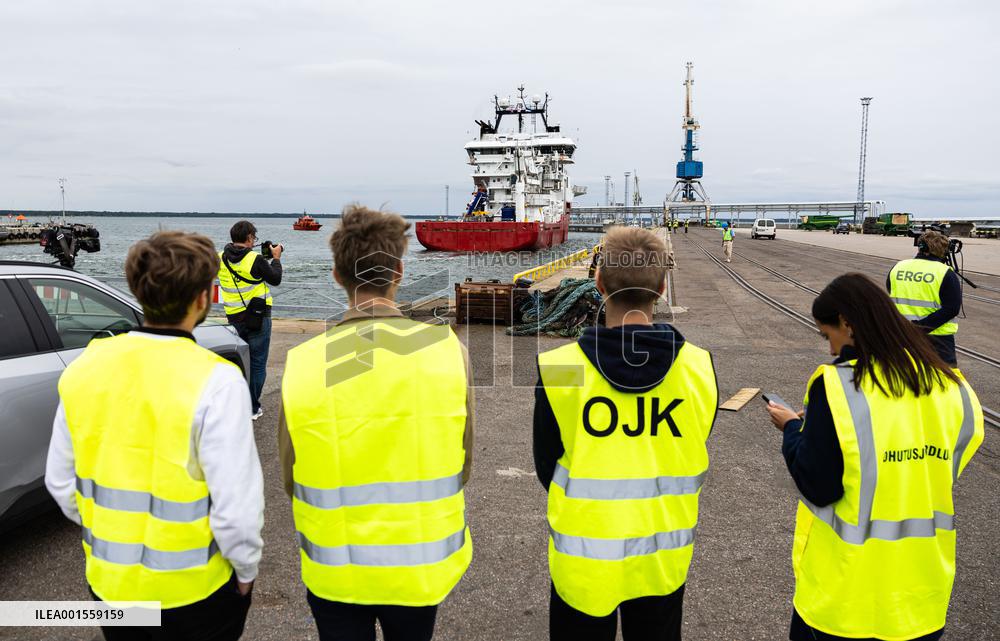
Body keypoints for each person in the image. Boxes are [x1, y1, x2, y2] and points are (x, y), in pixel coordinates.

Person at [45, 231, 265, 641]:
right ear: (204, 297)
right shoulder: (216, 379)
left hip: (112, 587)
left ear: (137, 290)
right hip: (194, 593)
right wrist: (246, 571)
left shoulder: (84, 367)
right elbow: (237, 508)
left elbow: (60, 483)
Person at [278, 204, 474, 641]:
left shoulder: (303, 363)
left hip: (336, 566)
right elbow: (463, 459)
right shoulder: (448, 351)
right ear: (400, 271)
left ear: (337, 275)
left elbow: (290, 474)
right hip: (420, 563)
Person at [766, 273, 983, 641]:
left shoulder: (836, 386)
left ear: (847, 323)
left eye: (827, 334)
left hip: (846, 598)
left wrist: (792, 429)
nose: (831, 349)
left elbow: (818, 484)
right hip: (921, 595)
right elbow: (946, 462)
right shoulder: (952, 384)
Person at [534, 226, 718, 641]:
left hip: (583, 558)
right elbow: (693, 442)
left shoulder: (561, 366)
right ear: (663, 288)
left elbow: (547, 465)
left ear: (597, 283)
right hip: (660, 558)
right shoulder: (698, 366)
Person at [218, 220, 283, 420]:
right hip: (258, 318)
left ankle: (236, 404)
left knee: (238, 363)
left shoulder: (220, 257)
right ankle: (252, 408)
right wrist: (276, 258)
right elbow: (275, 278)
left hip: (233, 317)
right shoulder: (255, 259)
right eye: (253, 237)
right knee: (257, 364)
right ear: (249, 238)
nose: (254, 240)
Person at [886, 230, 961, 365]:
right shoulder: (945, 273)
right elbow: (952, 308)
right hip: (938, 340)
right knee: (944, 381)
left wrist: (910, 328)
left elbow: (891, 293)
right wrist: (920, 328)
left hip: (901, 334)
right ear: (942, 250)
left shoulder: (898, 267)